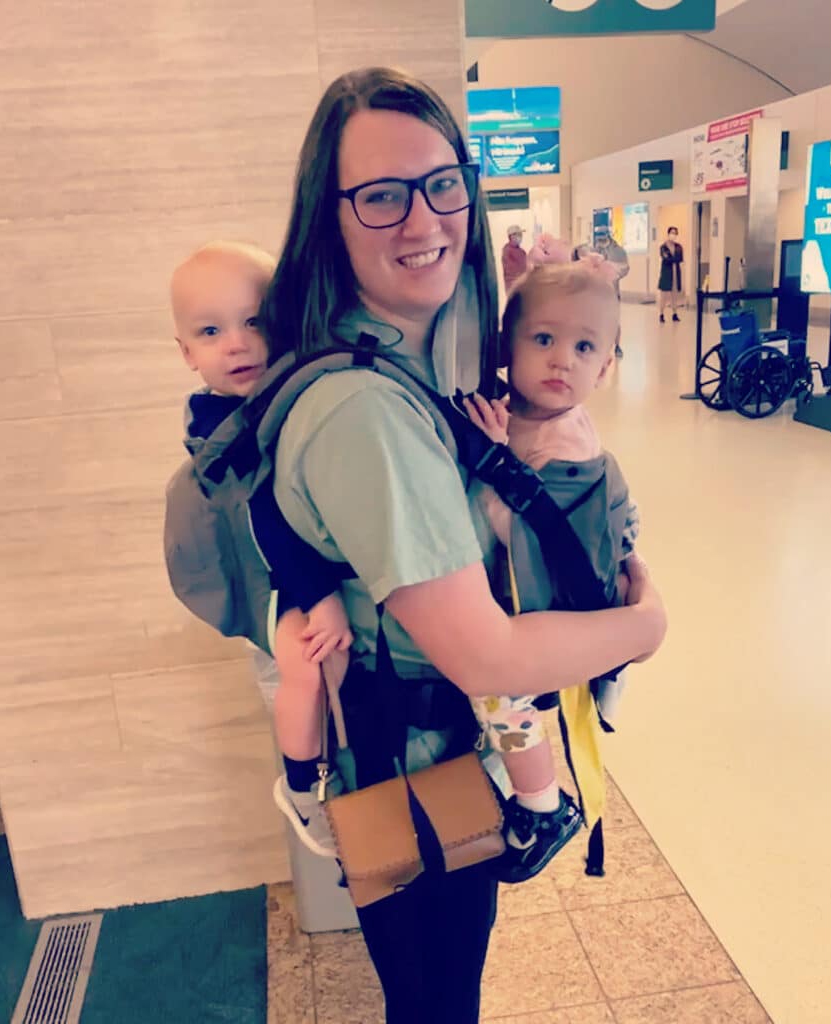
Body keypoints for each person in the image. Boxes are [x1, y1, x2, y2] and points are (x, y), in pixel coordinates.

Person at [261, 67, 667, 1024]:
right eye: (381, 195)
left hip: (425, 753)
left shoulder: (396, 366)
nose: (423, 220)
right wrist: (643, 628)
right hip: (419, 762)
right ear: (331, 215)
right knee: (438, 1004)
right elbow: (483, 653)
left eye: (444, 183)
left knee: (433, 994)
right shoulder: (366, 407)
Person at [170, 240, 353, 858]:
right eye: (211, 330)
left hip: (290, 573)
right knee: (301, 665)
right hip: (275, 582)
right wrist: (320, 597)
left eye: (254, 321)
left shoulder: (290, 393)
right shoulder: (224, 424)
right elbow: (266, 514)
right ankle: (303, 788)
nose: (237, 343)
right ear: (187, 352)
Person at [463, 254, 642, 884]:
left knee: (493, 688)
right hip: (576, 588)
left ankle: (543, 806)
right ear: (508, 344)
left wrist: (489, 459)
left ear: (606, 362)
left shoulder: (562, 443)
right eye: (544, 339)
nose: (562, 360)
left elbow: (528, 532)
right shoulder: (529, 412)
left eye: (584, 345)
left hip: (561, 604)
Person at [658, 226, 684, 322]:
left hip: (675, 273)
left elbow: (680, 259)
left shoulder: (678, 247)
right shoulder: (663, 247)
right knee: (663, 295)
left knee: (674, 295)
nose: (673, 235)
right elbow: (666, 258)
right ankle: (661, 314)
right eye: (672, 232)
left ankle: (674, 313)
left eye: (675, 233)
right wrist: (672, 259)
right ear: (668, 233)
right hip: (666, 273)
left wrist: (672, 259)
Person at [501, 224, 527, 293]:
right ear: (511, 236)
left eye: (521, 235)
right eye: (518, 235)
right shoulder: (507, 250)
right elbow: (510, 271)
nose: (521, 237)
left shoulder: (522, 252)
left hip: (523, 286)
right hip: (513, 288)